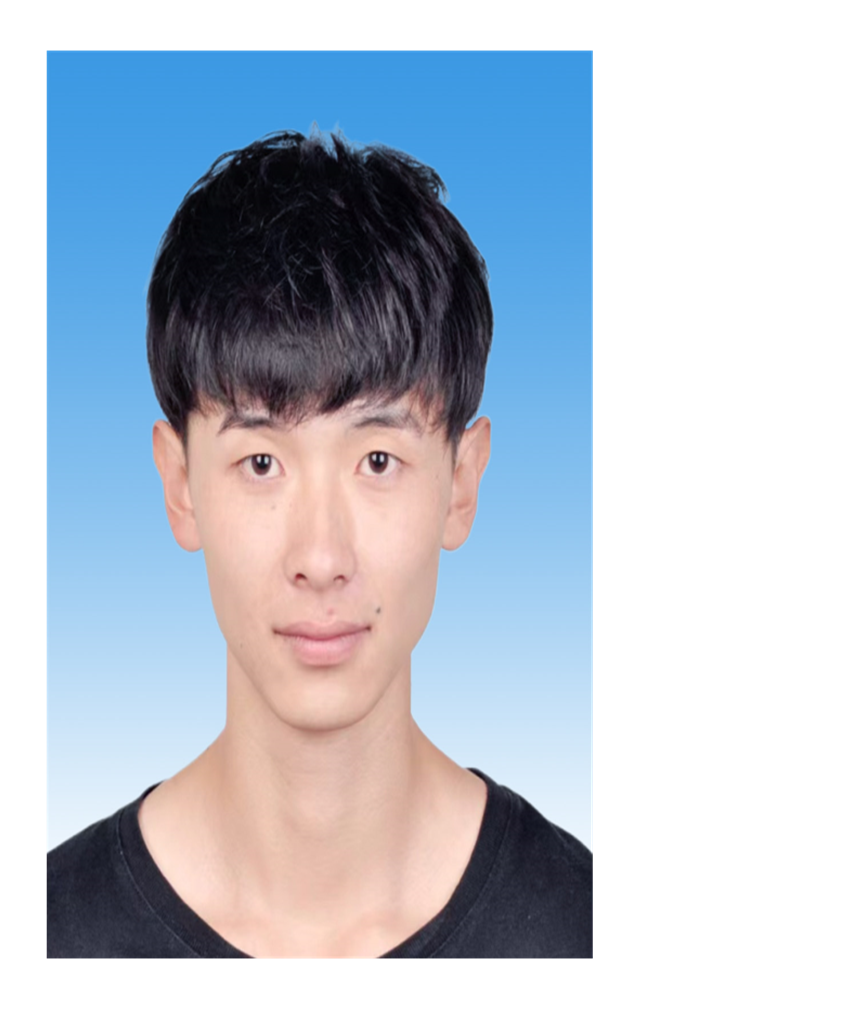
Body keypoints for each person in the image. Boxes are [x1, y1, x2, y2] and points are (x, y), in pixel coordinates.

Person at [47, 129, 592, 958]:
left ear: (462, 482)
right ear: (180, 485)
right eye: (261, 463)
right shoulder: (47, 937)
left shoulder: (588, 931)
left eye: (378, 461)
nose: (322, 558)